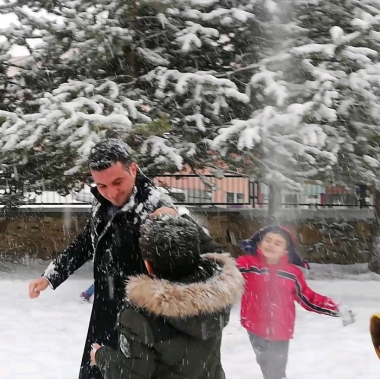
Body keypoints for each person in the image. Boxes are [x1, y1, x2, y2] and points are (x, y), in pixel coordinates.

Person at [27, 138, 210, 379]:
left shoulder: (156, 208)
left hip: (140, 322)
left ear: (132, 169)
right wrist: (52, 275)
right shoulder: (103, 201)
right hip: (105, 310)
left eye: (117, 182)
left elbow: (183, 264)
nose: (111, 193)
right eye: (101, 185)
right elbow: (87, 241)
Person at [90, 215, 243, 379]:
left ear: (147, 265)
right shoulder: (216, 293)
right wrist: (181, 219)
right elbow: (217, 252)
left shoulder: (139, 314)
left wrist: (101, 356)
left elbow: (130, 374)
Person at [236, 226, 356, 379]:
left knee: (275, 372)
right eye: (268, 240)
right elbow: (224, 274)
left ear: (286, 251)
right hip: (254, 327)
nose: (271, 245)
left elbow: (308, 298)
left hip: (280, 330)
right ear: (259, 244)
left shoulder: (292, 273)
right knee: (265, 365)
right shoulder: (247, 265)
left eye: (278, 243)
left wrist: (336, 308)